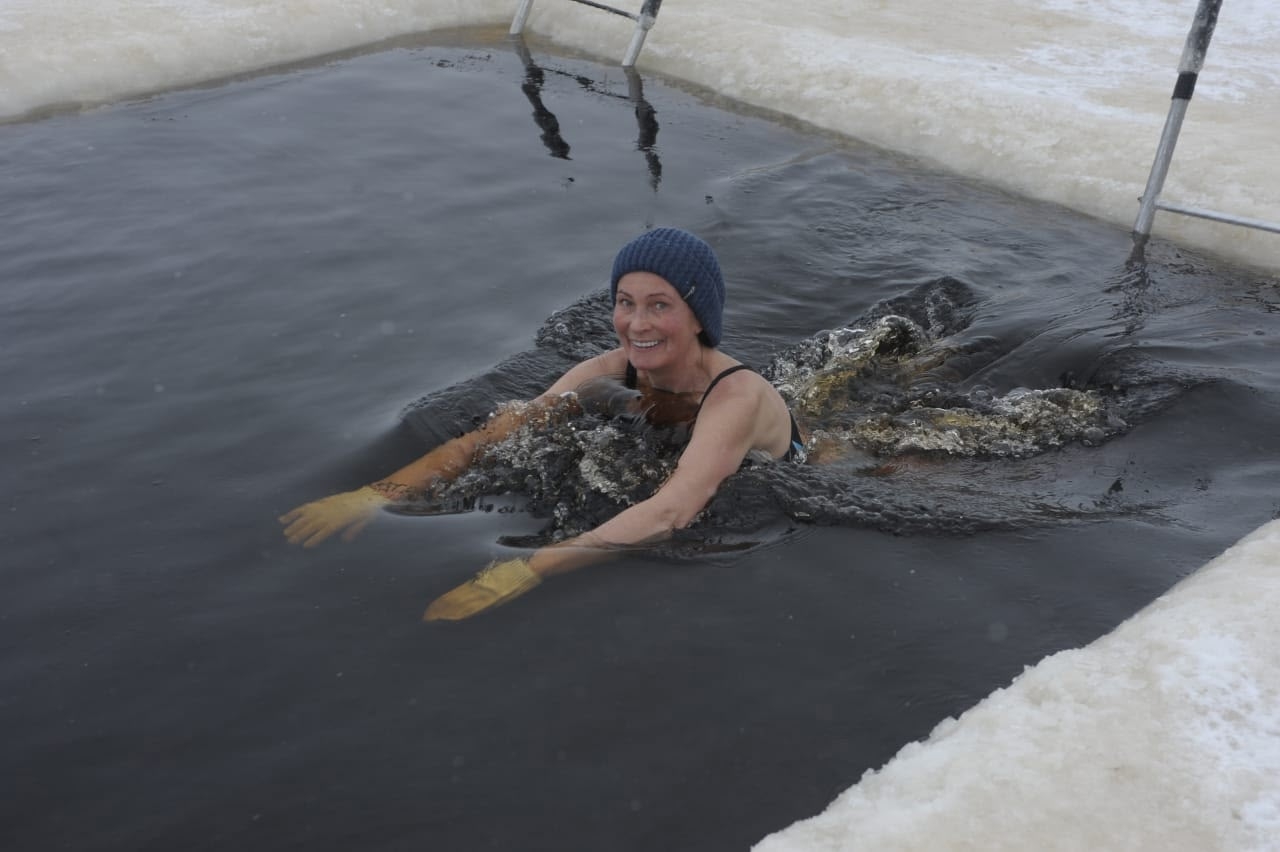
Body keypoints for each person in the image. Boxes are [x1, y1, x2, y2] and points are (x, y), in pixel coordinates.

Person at [279, 227, 805, 620]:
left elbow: (672, 510)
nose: (636, 323)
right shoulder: (605, 371)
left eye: (659, 305)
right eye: (625, 303)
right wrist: (373, 496)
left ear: (698, 317)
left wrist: (525, 568)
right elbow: (493, 437)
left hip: (801, 468)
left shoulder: (735, 397)